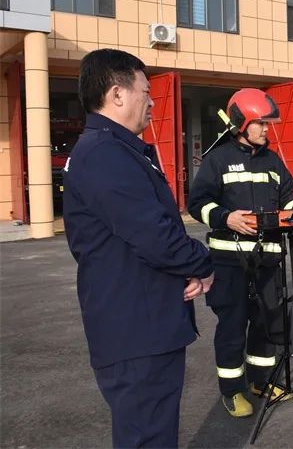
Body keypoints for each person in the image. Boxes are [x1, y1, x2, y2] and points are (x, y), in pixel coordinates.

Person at [63, 49, 214, 448]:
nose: (151, 101)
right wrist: (203, 263)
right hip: (135, 330)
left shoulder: (118, 150)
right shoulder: (104, 154)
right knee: (147, 438)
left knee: (152, 433)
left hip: (145, 321)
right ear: (117, 94)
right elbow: (156, 236)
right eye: (145, 92)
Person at [188, 88, 293, 418]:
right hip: (230, 261)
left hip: (267, 259)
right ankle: (232, 390)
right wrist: (227, 218)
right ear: (241, 123)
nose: (267, 130)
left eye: (268, 124)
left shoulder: (271, 160)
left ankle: (260, 380)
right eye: (261, 124)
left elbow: (288, 197)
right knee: (233, 326)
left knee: (266, 323)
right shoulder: (217, 159)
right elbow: (197, 204)